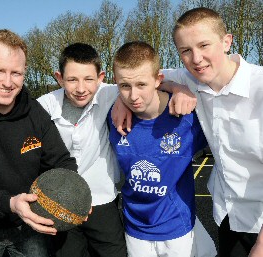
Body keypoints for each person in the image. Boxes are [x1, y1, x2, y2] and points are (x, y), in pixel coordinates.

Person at [113, 7, 263, 257]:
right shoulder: (192, 77)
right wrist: (123, 99)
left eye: (204, 45)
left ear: (227, 42)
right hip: (229, 217)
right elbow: (143, 80)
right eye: (185, 51)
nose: (196, 58)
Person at [0, 29, 78, 257]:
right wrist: (10, 203)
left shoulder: (35, 112)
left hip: (31, 226)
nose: (8, 82)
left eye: (16, 73)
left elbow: (62, 163)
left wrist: (72, 194)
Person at [107, 41, 217, 257]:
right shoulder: (112, 115)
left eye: (141, 85)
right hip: (134, 228)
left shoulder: (187, 118)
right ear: (116, 84)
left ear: (158, 80)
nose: (133, 96)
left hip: (176, 228)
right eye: (125, 87)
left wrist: (177, 87)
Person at [37, 43, 127, 257]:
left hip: (102, 199)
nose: (81, 88)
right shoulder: (43, 107)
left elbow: (151, 79)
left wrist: (178, 90)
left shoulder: (111, 94)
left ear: (101, 77)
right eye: (72, 80)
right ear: (59, 78)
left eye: (88, 79)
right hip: (60, 203)